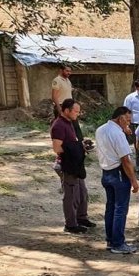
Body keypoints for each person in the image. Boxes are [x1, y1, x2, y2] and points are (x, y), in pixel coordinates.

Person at [95, 106, 139, 254]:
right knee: (120, 209)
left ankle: (110, 240)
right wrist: (134, 180)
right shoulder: (117, 134)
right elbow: (125, 160)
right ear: (120, 118)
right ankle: (118, 243)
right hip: (118, 173)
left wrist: (124, 131)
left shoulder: (100, 129)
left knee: (110, 207)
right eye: (127, 120)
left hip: (106, 172)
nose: (129, 123)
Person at [50, 98, 95, 234]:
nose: (78, 114)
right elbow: (57, 148)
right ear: (66, 111)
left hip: (76, 164)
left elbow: (72, 142)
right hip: (67, 164)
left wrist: (82, 146)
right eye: (76, 111)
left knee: (82, 192)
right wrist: (75, 150)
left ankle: (81, 218)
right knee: (71, 195)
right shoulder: (58, 125)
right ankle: (70, 224)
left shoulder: (70, 123)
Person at [51, 65, 83, 141]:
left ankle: (81, 141)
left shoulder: (68, 81)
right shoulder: (57, 80)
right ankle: (59, 142)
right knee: (61, 125)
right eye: (67, 71)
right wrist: (58, 107)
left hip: (70, 106)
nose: (69, 73)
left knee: (75, 124)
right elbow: (54, 96)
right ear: (61, 70)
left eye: (70, 71)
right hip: (61, 105)